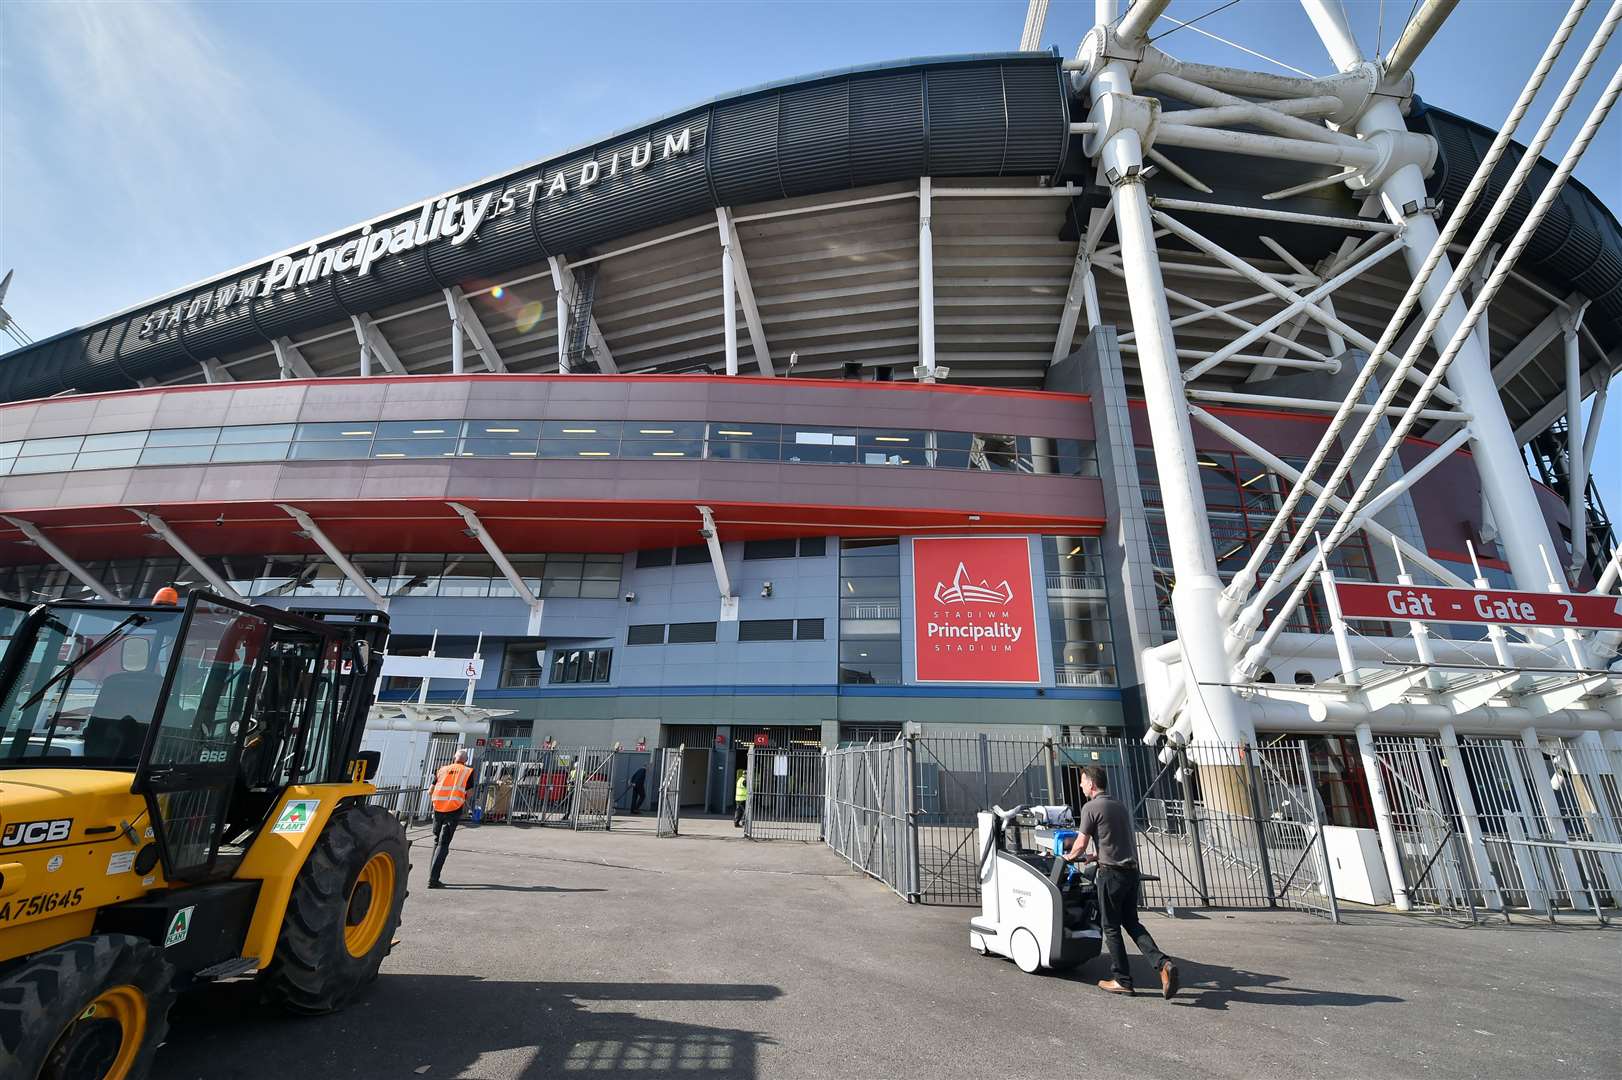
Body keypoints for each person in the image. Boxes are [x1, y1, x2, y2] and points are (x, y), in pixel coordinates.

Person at [1063, 765, 1180, 999]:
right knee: (1132, 923)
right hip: (1130, 872)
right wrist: (1097, 854)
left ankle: (1122, 980)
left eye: (1083, 781)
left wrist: (1065, 857)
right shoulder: (1119, 806)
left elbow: (1079, 845)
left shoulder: (1090, 807)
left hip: (1111, 875)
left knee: (1111, 927)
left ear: (1092, 784)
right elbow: (1114, 840)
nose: (1080, 785)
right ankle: (1163, 963)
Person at [429, 749, 474, 889]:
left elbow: (430, 790)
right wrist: (463, 803)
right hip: (453, 809)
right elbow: (469, 792)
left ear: (454, 757)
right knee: (443, 844)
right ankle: (433, 879)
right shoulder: (467, 771)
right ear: (465, 760)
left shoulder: (441, 769)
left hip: (438, 808)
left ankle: (432, 876)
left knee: (436, 842)